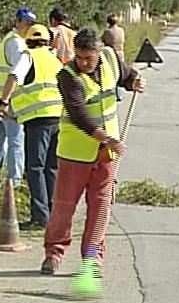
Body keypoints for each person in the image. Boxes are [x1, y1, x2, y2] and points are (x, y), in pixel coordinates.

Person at [41, 27, 146, 275]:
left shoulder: (110, 57)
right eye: (79, 57)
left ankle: (91, 260)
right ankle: (54, 253)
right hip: (74, 153)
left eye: (88, 57)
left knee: (100, 207)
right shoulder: (67, 76)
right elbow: (79, 115)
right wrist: (106, 138)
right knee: (64, 207)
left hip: (106, 155)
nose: (83, 63)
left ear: (98, 53)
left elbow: (127, 75)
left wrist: (135, 82)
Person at [0, 24, 63, 230]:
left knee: (34, 168)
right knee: (51, 168)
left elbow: (14, 76)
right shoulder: (55, 60)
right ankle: (53, 214)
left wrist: (4, 102)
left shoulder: (28, 57)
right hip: (58, 118)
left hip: (38, 119)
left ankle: (40, 217)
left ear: (28, 40)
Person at [0, 6, 37, 185]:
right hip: (8, 99)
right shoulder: (16, 43)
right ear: (17, 22)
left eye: (32, 24)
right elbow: (17, 71)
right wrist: (6, 100)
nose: (29, 27)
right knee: (16, 138)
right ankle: (14, 181)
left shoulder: (11, 39)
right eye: (26, 23)